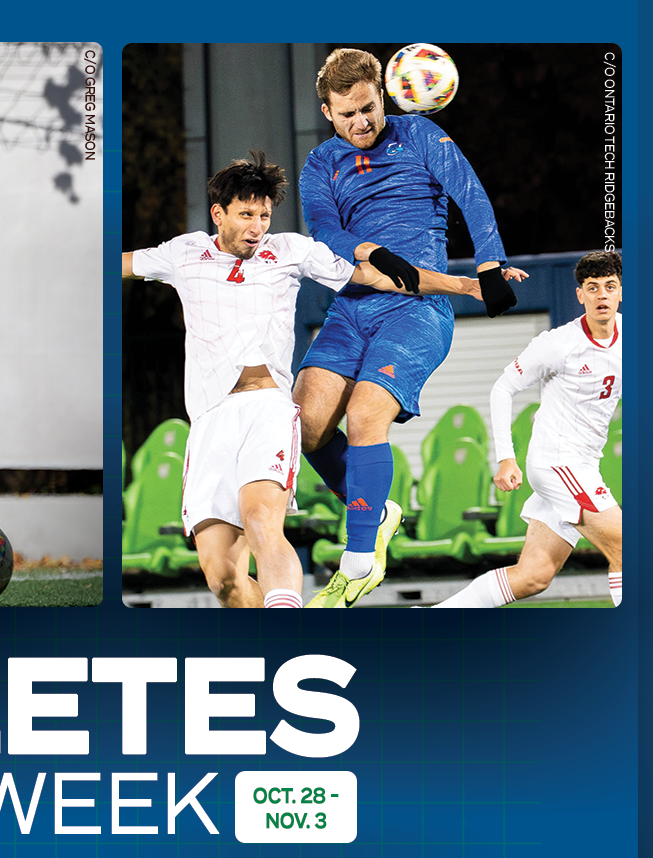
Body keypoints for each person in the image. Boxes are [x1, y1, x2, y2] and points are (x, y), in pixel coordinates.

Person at [122, 151, 482, 609]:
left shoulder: (290, 250)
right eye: (246, 214)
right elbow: (120, 263)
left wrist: (465, 285)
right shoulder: (183, 253)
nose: (257, 226)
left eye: (265, 215)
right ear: (219, 214)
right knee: (223, 578)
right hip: (210, 421)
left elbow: (374, 278)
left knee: (261, 521)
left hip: (268, 411)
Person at [294, 47, 527, 609]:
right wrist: (371, 251)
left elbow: (471, 195)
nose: (362, 122)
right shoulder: (319, 164)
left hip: (417, 309)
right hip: (351, 305)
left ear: (383, 95)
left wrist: (489, 265)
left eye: (369, 108)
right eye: (347, 114)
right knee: (303, 423)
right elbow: (326, 230)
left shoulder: (417, 134)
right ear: (327, 112)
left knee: (366, 411)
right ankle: (374, 505)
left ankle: (355, 564)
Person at [432, 252, 623, 608]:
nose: (601, 296)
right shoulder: (558, 345)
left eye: (609, 287)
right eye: (592, 288)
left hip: (582, 466)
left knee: (533, 576)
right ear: (580, 295)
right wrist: (506, 458)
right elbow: (503, 388)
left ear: (620, 293)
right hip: (558, 464)